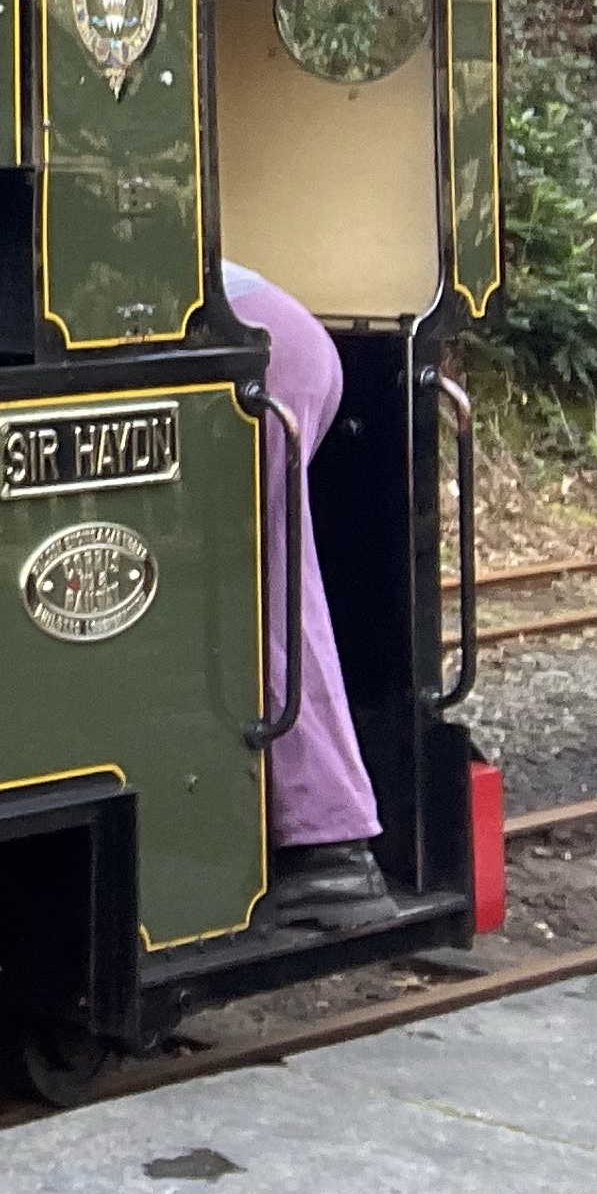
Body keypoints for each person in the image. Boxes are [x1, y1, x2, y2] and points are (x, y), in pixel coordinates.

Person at [224, 262, 388, 921]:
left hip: (259, 357)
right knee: (274, 585)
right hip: (276, 344)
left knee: (240, 589)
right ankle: (327, 841)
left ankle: (331, 847)